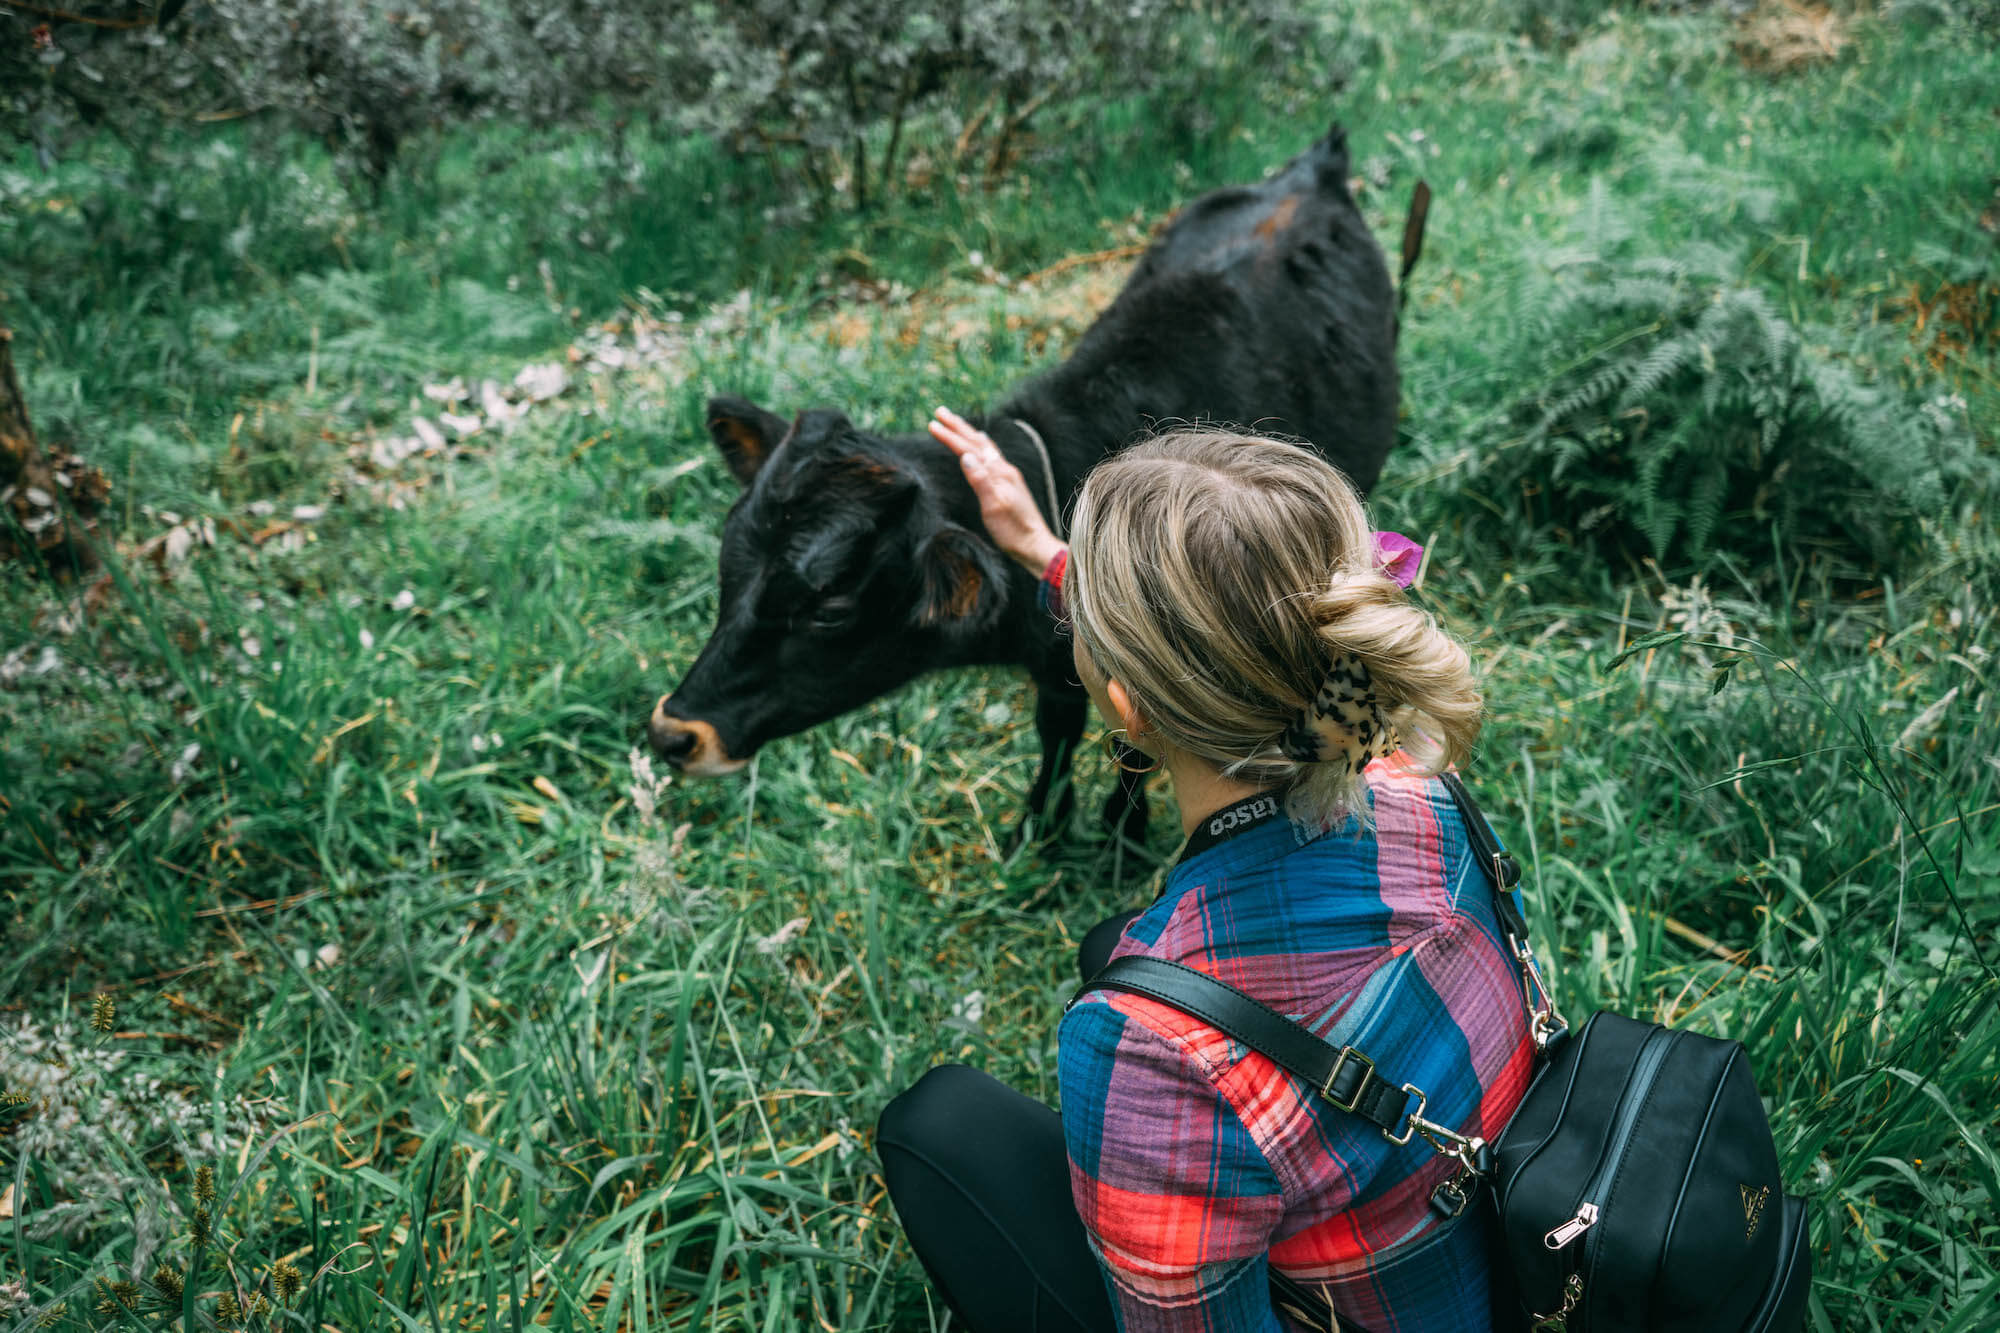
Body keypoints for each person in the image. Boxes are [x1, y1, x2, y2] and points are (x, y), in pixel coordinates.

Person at [874, 410, 1535, 1332]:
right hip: (1511, 1261)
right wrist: (1041, 548)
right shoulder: (1420, 774)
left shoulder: (1153, 1046)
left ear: (1125, 708)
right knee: (1115, 945)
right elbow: (1249, 636)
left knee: (937, 1122)